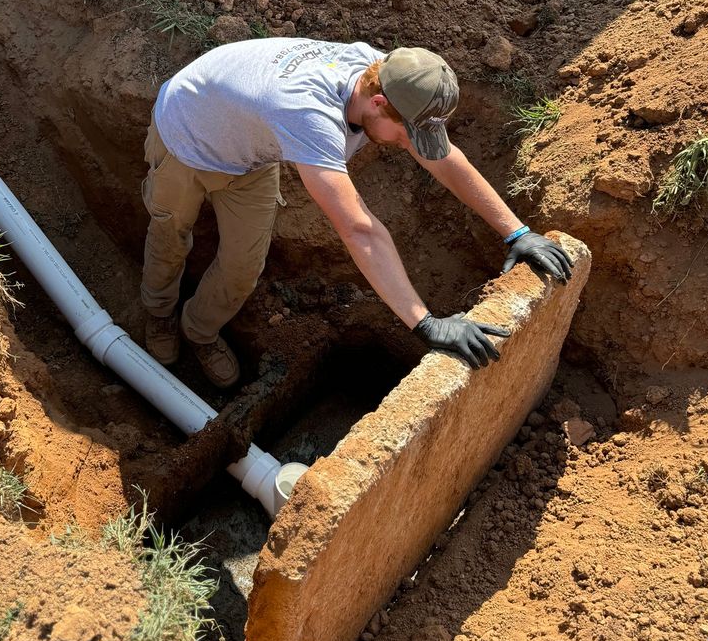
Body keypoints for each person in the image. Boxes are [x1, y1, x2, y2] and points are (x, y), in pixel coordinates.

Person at [140, 38, 572, 388]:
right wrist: (425, 324)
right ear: (380, 102)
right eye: (406, 134)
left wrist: (516, 233)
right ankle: (159, 314)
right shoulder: (310, 115)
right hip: (187, 136)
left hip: (250, 153)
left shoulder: (385, 76)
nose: (408, 145)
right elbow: (359, 230)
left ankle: (199, 331)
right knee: (171, 237)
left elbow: (441, 159)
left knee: (242, 266)